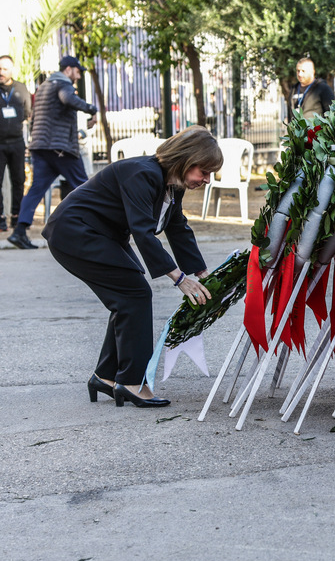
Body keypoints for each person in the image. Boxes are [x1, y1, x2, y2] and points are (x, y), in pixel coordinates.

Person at [42, 125, 222, 408]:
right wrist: (179, 279)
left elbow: (177, 227)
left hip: (100, 235)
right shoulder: (144, 173)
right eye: (204, 171)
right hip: (74, 232)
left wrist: (202, 273)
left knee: (129, 296)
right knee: (135, 294)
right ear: (186, 159)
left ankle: (106, 376)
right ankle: (131, 381)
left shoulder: (171, 184)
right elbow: (142, 231)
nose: (208, 179)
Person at [8, 56, 98, 249]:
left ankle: (19, 232)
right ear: (69, 69)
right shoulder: (63, 84)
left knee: (36, 189)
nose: (79, 76)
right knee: (84, 186)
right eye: (78, 71)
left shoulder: (44, 86)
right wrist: (92, 109)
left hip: (40, 146)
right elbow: (68, 99)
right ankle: (95, 230)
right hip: (60, 147)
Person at [0, 55, 32, 233]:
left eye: (5, 69)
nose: (1, 72)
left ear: (12, 70)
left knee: (18, 180)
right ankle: (0, 220)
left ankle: (16, 217)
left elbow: (28, 112)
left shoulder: (20, 88)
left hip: (17, 142)